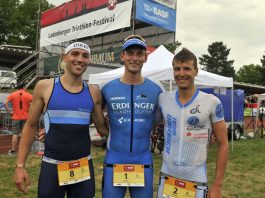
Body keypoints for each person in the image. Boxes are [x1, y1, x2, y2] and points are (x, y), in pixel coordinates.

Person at [14, 42, 108, 198]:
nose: (80, 59)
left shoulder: (94, 92)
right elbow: (30, 126)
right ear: (64, 57)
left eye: (85, 55)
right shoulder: (45, 86)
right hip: (52, 167)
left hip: (83, 168)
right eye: (75, 54)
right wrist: (20, 166)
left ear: (89, 60)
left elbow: (102, 129)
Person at [157, 48, 229, 198]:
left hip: (196, 178)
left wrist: (217, 185)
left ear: (196, 71)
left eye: (187, 69)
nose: (181, 73)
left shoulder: (211, 102)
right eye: (177, 69)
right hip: (167, 176)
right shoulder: (163, 99)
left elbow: (223, 144)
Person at [100, 35, 164, 198]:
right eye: (130, 53)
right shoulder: (107, 88)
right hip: (114, 159)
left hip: (143, 160)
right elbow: (89, 111)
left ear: (145, 57)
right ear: (122, 56)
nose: (134, 58)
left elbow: (167, 117)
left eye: (139, 54)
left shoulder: (157, 89)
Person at [4, 82, 32, 156]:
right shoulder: (28, 95)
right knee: (25, 134)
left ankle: (13, 151)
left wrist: (9, 112)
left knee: (15, 134)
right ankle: (26, 150)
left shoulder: (13, 94)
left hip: (16, 117)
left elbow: (5, 103)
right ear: (24, 87)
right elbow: (34, 103)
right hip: (26, 117)